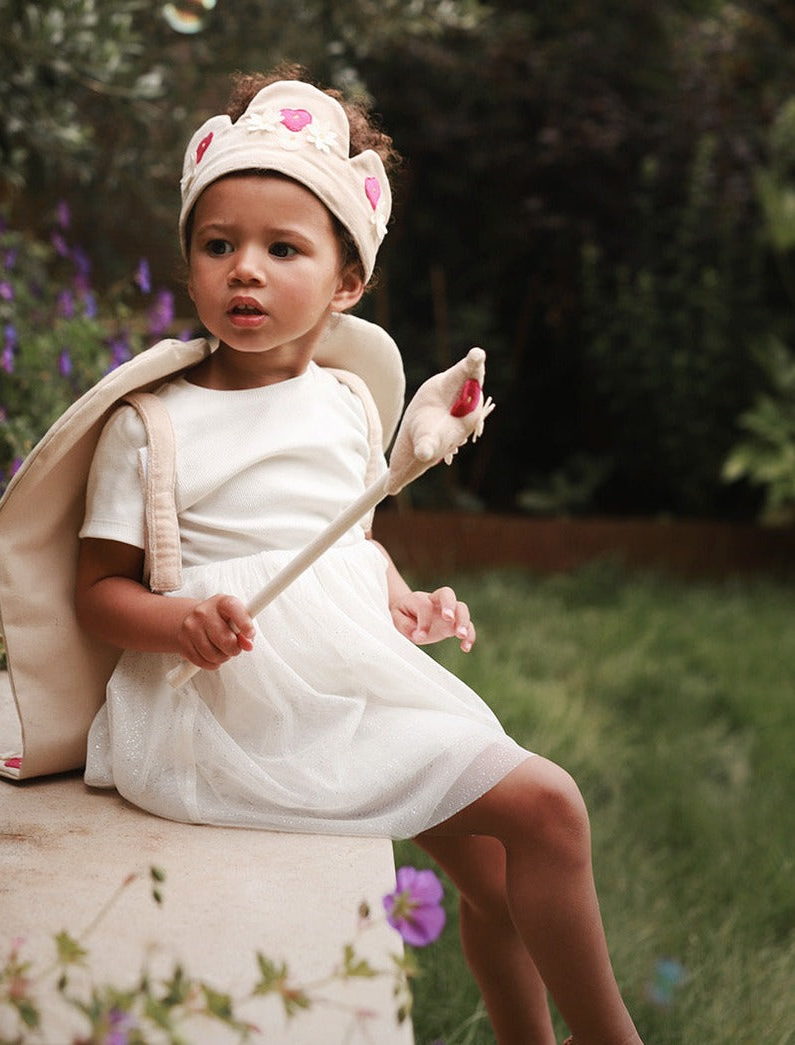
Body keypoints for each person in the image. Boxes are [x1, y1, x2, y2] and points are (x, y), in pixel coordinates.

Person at [73, 67, 642, 1045]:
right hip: (234, 710)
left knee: (503, 881)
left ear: (347, 281)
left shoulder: (344, 401)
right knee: (548, 805)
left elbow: (347, 541)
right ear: (191, 263)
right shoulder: (154, 426)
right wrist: (179, 621)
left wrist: (399, 596)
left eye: (279, 247)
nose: (242, 269)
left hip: (343, 678)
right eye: (218, 245)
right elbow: (96, 594)